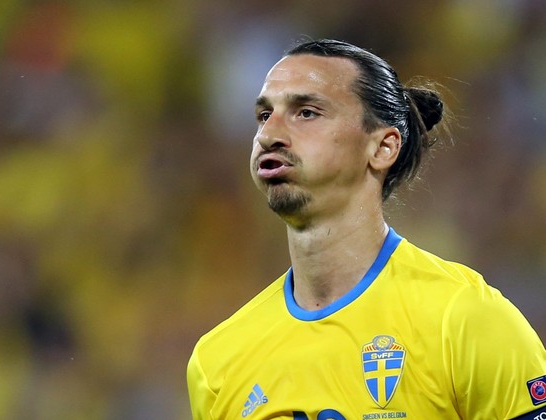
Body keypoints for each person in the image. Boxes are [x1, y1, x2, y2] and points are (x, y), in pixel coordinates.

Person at [186, 39, 546, 419]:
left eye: (306, 113)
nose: (268, 134)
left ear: (383, 147)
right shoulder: (218, 363)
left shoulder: (463, 319)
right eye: (264, 115)